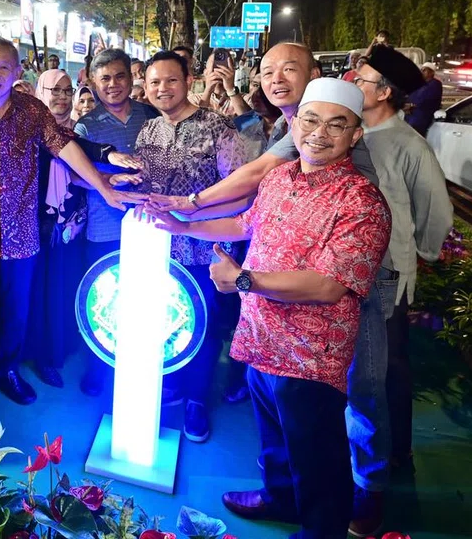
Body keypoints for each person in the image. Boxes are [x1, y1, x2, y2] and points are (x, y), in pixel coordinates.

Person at [146, 41, 403, 535]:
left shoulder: (363, 201)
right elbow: (245, 223)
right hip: (261, 337)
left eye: (336, 125)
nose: (319, 134)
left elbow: (328, 286)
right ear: (295, 125)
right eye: (310, 121)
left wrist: (242, 279)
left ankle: (319, 527)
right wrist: (181, 224)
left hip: (309, 357)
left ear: (355, 134)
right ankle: (278, 499)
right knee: (276, 445)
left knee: (319, 463)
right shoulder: (282, 177)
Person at [0, 38, 144, 427]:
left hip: (21, 233)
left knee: (16, 312)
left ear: (17, 73)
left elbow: (66, 147)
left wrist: (105, 188)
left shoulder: (31, 111)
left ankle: (6, 370)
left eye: (2, 68)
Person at [346, 46, 453, 535]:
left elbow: (435, 212)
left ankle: (384, 476)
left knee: (381, 376)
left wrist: (418, 257)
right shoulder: (350, 131)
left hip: (385, 274)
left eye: (361, 77)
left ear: (384, 92)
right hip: (346, 276)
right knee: (368, 374)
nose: (352, 80)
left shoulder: (408, 144)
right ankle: (386, 457)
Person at [130, 51, 257, 440]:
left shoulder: (218, 128)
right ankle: (173, 384)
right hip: (156, 249)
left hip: (204, 251)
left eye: (170, 80)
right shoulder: (148, 130)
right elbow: (142, 183)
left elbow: (242, 190)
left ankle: (198, 400)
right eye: (154, 82)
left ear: (189, 81)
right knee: (166, 323)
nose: (162, 89)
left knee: (201, 327)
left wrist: (194, 213)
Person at [73, 49, 158, 395]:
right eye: (104, 78)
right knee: (103, 301)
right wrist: (105, 182)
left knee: (144, 299)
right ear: (93, 82)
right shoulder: (86, 126)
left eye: (119, 76)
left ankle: (143, 367)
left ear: (131, 77)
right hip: (103, 227)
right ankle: (100, 368)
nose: (113, 85)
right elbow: (75, 176)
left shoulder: (151, 115)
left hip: (149, 224)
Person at [27, 68, 88, 388]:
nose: (62, 97)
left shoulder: (79, 133)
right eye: (55, 90)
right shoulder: (28, 133)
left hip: (71, 226)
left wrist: (74, 220)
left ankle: (60, 348)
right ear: (40, 92)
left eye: (68, 90)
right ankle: (43, 356)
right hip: (35, 226)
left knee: (65, 287)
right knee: (40, 291)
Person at [193, 50, 251, 117]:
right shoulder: (194, 99)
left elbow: (251, 123)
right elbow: (194, 123)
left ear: (233, 71)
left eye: (225, 67)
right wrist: (208, 91)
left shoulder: (246, 99)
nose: (220, 71)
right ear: (205, 72)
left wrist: (231, 89)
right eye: (215, 66)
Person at [405, 62, 442, 137]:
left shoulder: (435, 84)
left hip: (422, 117)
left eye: (424, 70)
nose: (421, 72)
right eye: (421, 70)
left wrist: (411, 105)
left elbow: (425, 100)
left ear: (431, 73)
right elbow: (410, 96)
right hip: (411, 115)